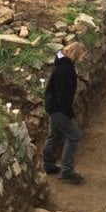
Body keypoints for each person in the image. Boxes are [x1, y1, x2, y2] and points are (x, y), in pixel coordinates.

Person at [41, 41, 87, 184]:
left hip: (52, 106)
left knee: (54, 136)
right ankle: (67, 171)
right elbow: (63, 96)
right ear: (76, 54)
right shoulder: (65, 70)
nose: (83, 58)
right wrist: (69, 114)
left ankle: (48, 165)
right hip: (58, 109)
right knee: (73, 136)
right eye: (82, 55)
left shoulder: (62, 63)